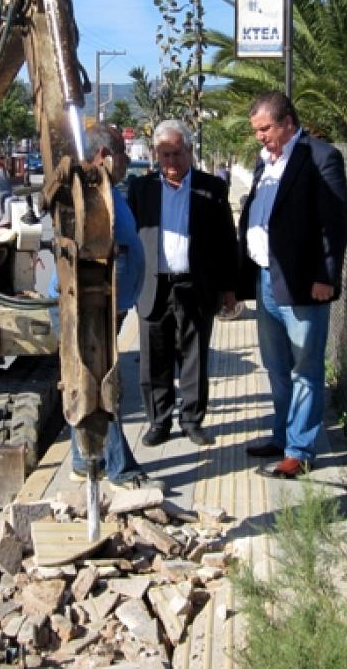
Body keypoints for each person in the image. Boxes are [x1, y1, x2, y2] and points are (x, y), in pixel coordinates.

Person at [237, 91, 347, 479]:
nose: (260, 137)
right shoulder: (264, 161)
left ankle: (300, 452)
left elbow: (334, 223)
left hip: (304, 284)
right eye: (256, 131)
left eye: (265, 128)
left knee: (305, 367)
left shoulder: (320, 157)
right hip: (266, 277)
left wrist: (326, 276)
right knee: (276, 365)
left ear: (287, 122)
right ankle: (282, 435)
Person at [50, 124, 165, 492]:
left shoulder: (106, 190)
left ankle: (84, 461)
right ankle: (119, 468)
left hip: (108, 303)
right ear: (104, 155)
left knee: (84, 380)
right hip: (91, 304)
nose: (126, 163)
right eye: (123, 156)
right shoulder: (87, 193)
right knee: (101, 383)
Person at [128, 119, 237, 447]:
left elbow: (226, 241)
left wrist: (229, 289)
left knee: (194, 357)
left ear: (190, 151)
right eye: (165, 155)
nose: (171, 162)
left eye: (177, 153)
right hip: (153, 287)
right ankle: (159, 421)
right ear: (155, 155)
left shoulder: (212, 188)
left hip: (196, 286)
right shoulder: (141, 189)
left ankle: (192, 420)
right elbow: (128, 241)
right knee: (153, 360)